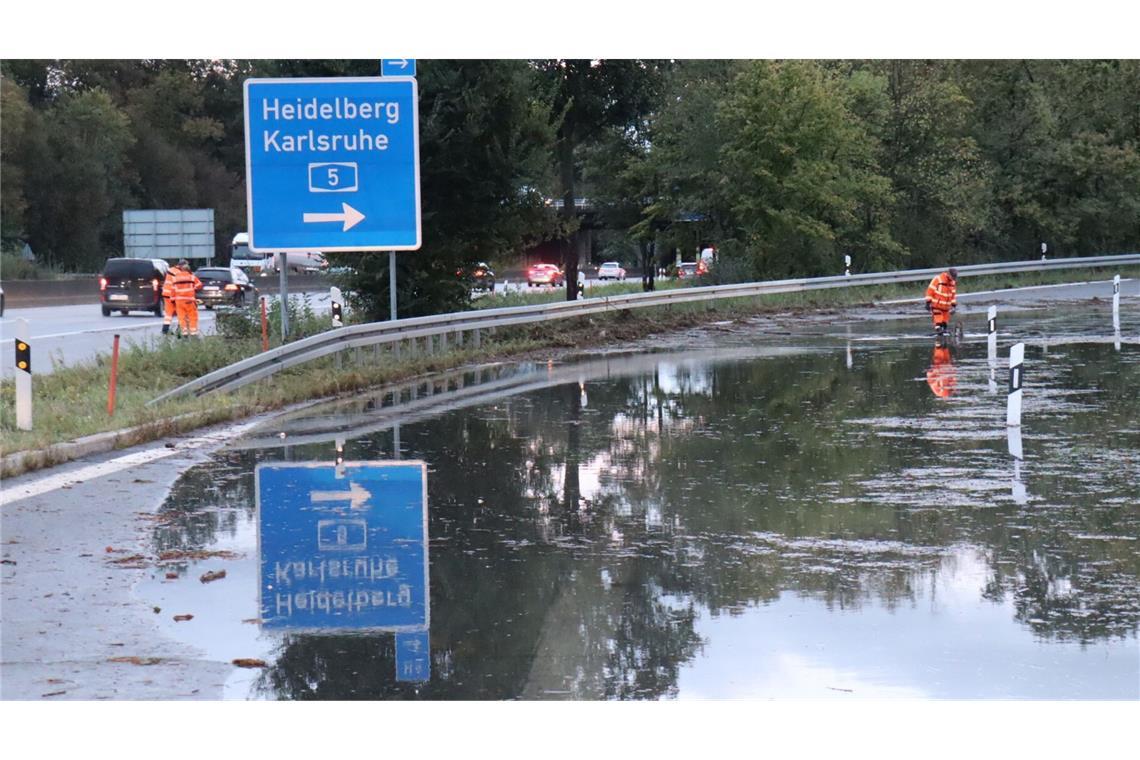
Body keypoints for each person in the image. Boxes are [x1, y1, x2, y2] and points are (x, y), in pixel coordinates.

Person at [171, 258, 202, 337]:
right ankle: (193, 332)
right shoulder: (191, 277)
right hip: (190, 300)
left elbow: (173, 290)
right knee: (192, 317)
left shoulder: (175, 278)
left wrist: (172, 300)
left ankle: (184, 332)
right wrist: (193, 288)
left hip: (179, 301)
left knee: (181, 317)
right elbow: (199, 285)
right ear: (188, 269)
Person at [925, 267, 958, 335]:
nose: (953, 279)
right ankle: (938, 329)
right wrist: (928, 302)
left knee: (945, 322)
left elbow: (953, 295)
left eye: (954, 278)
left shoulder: (953, 282)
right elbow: (930, 290)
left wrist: (953, 306)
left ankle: (943, 332)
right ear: (948, 274)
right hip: (936, 305)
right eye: (952, 277)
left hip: (946, 306)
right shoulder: (938, 279)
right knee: (938, 319)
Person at [160, 261, 180, 335]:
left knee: (168, 313)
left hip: (166, 294)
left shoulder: (171, 269)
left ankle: (165, 329)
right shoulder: (178, 273)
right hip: (173, 295)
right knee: (180, 312)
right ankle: (179, 330)